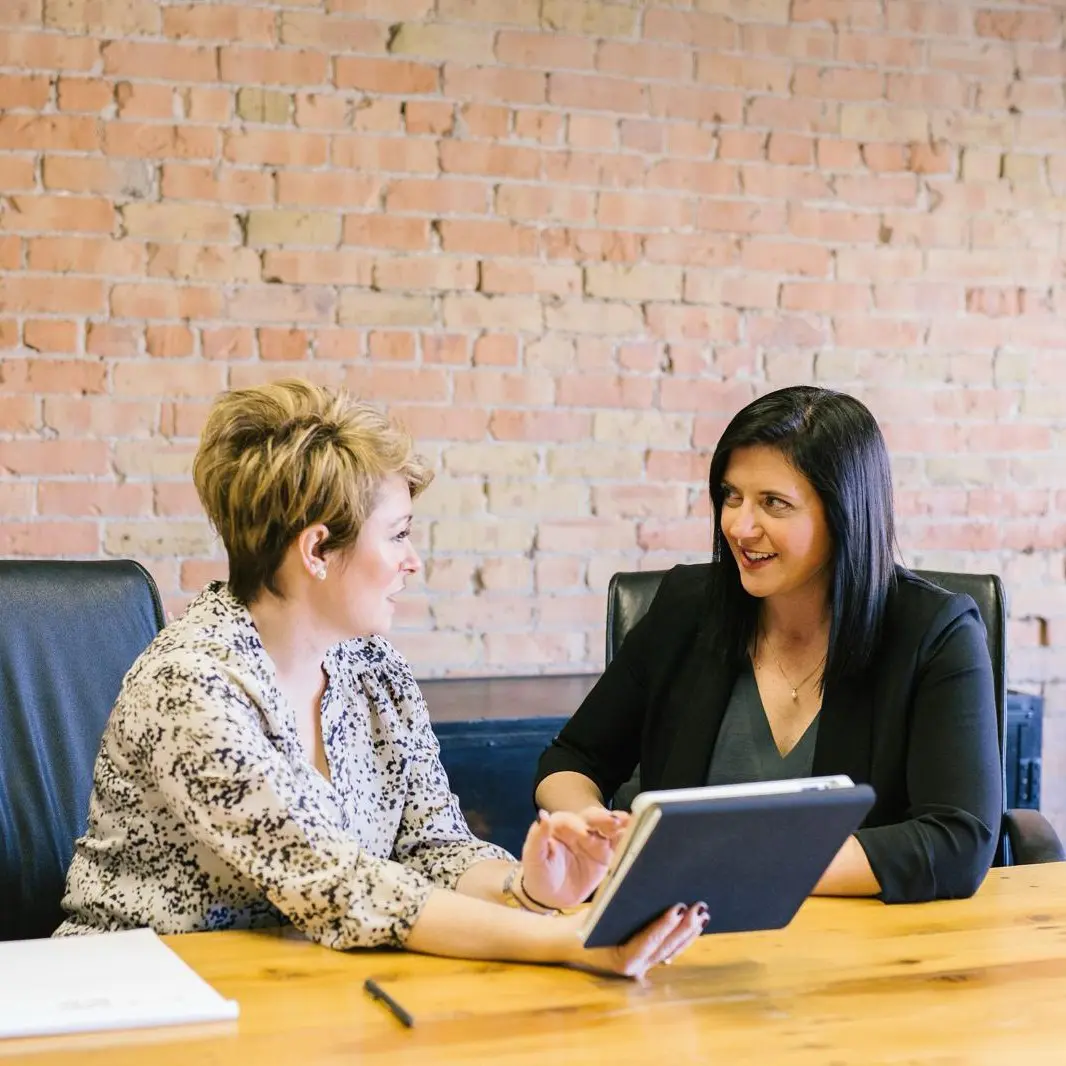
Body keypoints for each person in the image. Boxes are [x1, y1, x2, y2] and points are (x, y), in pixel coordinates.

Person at [57, 379, 706, 977]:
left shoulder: (372, 667)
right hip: (134, 998)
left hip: (306, 988)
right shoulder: (191, 687)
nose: (413, 562)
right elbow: (342, 887)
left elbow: (434, 848)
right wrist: (570, 940)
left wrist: (531, 889)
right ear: (316, 550)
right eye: (397, 535)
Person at [535, 385, 1002, 904]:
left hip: (863, 945)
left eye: (773, 503)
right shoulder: (687, 608)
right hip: (683, 936)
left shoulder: (935, 632)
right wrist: (591, 826)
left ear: (844, 513)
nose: (739, 525)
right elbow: (571, 759)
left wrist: (730, 865)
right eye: (732, 496)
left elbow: (957, 840)